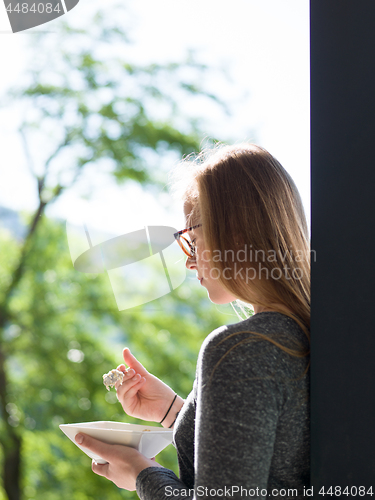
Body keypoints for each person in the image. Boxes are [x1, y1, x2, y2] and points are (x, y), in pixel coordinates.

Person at [75, 143, 310, 499]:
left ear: (235, 235)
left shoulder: (240, 350)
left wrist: (142, 474)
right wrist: (176, 412)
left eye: (192, 240)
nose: (189, 261)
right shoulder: (311, 334)